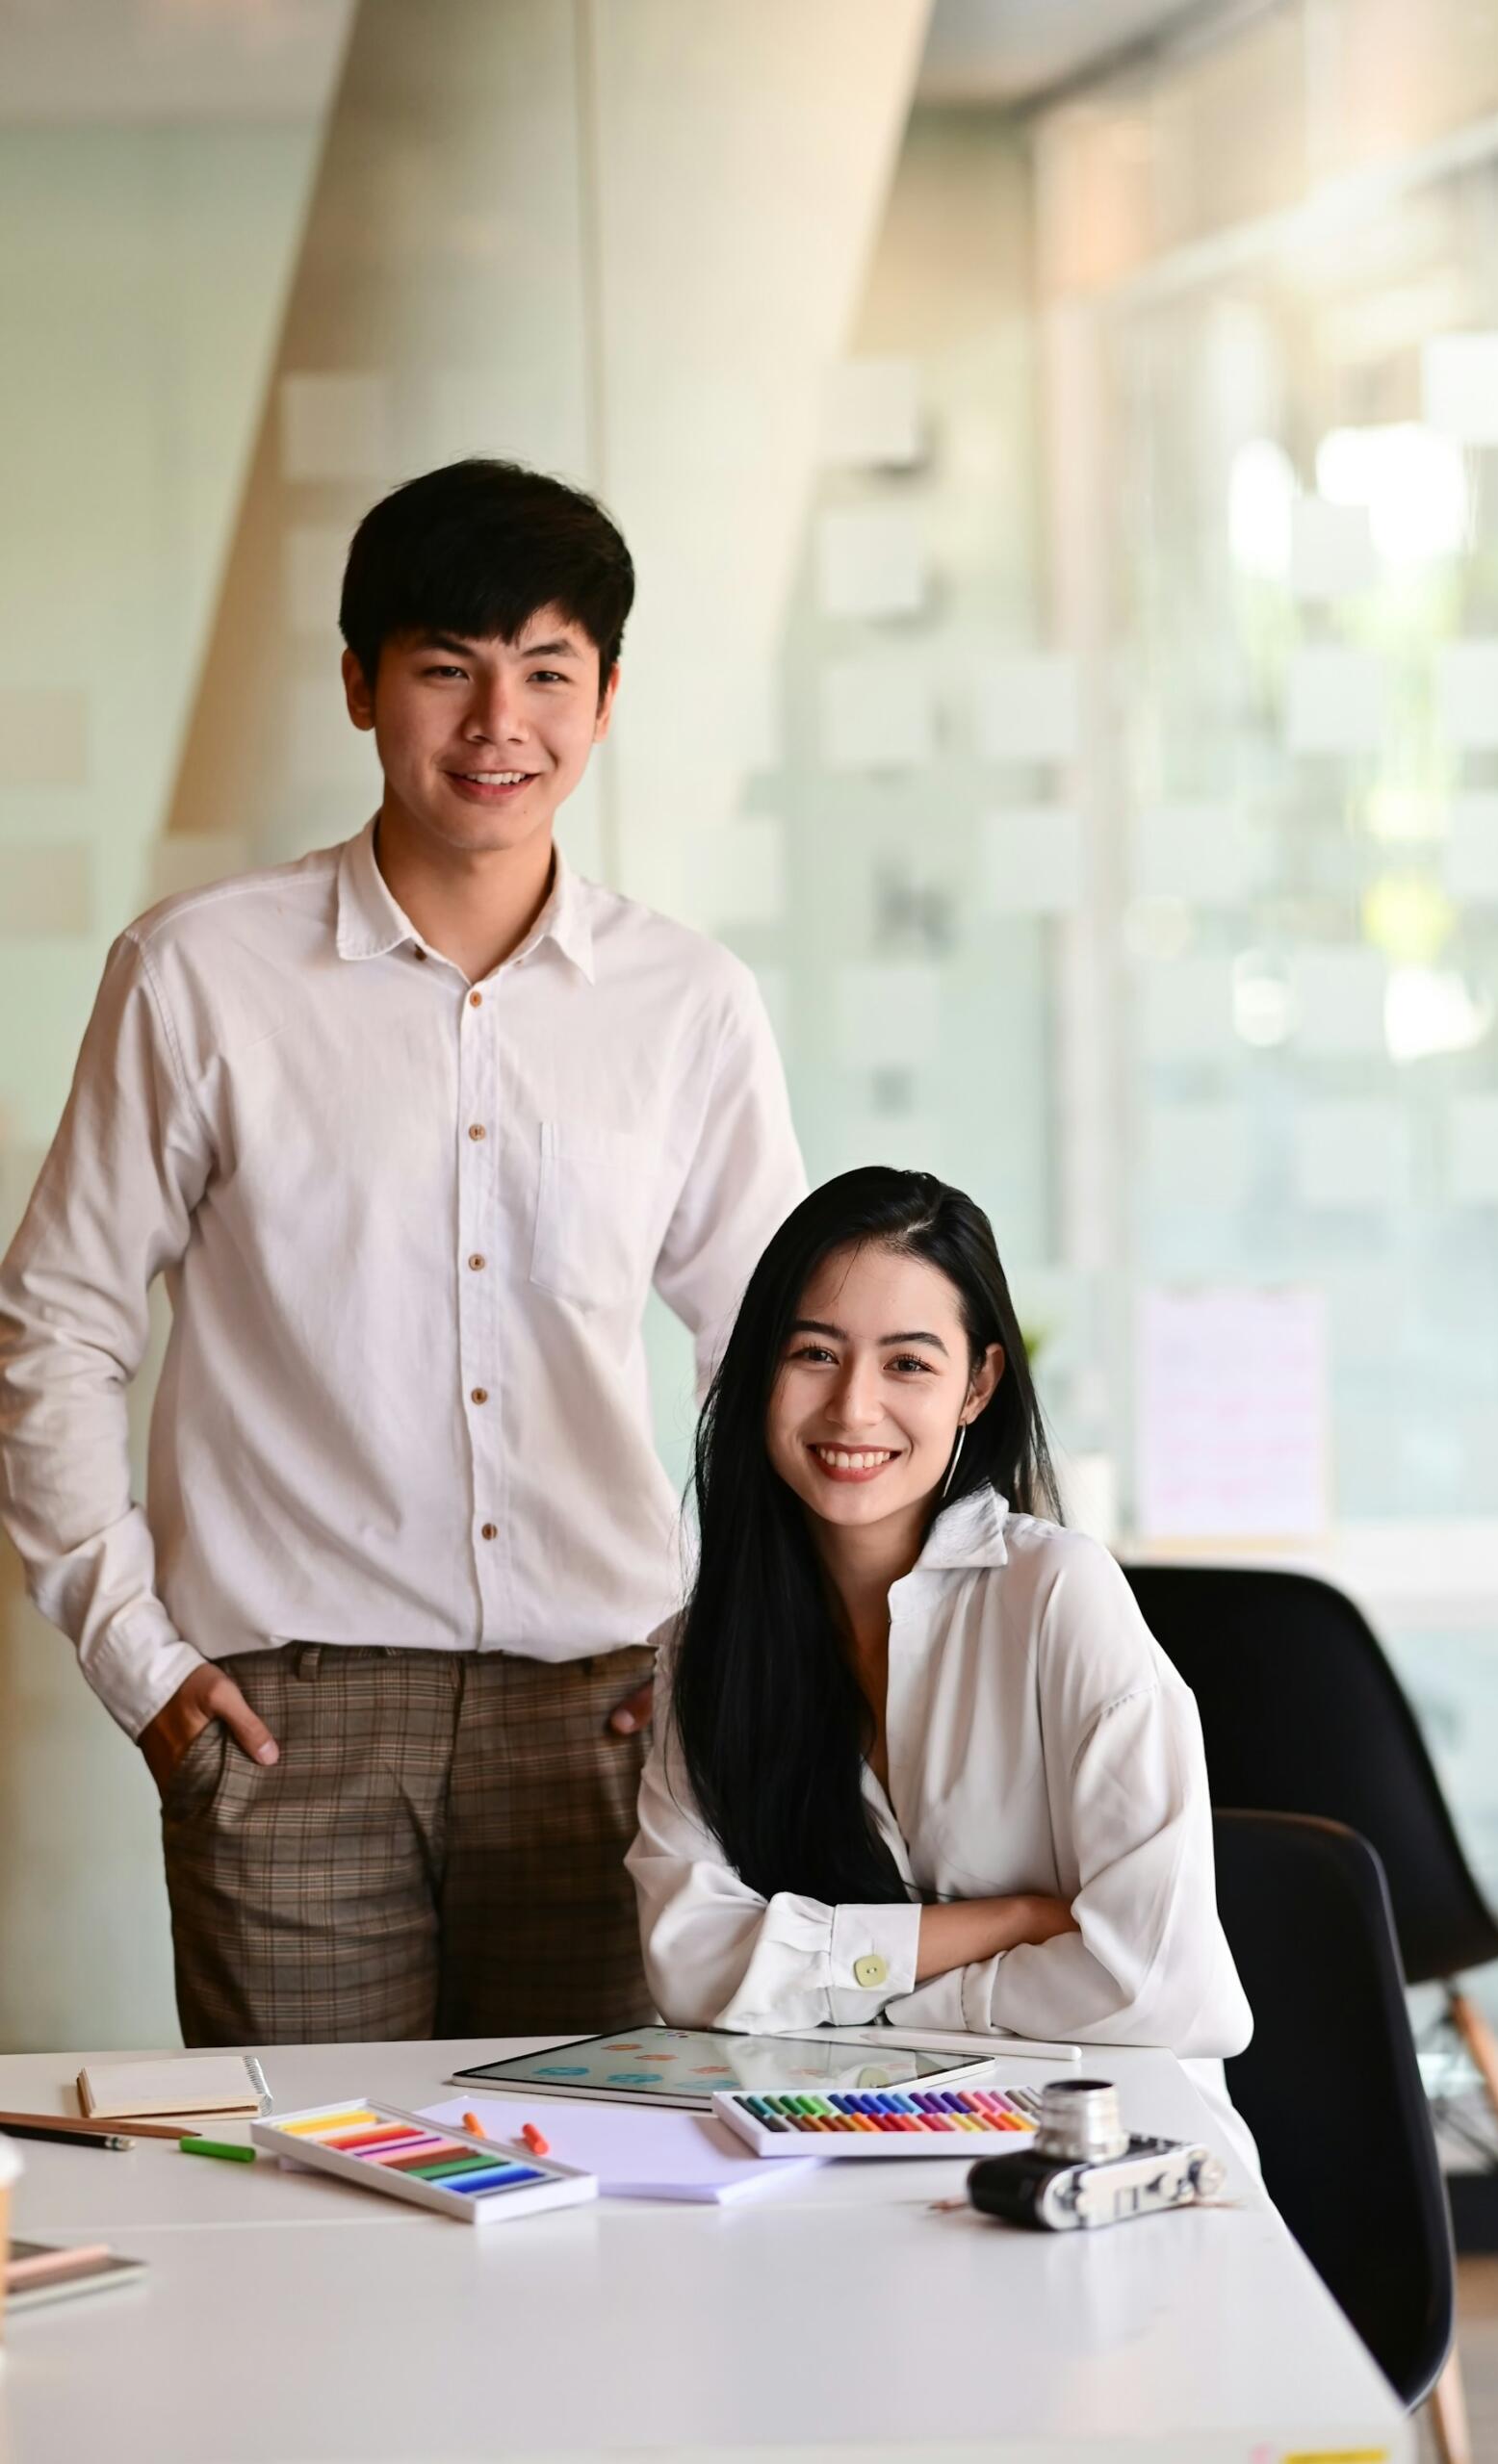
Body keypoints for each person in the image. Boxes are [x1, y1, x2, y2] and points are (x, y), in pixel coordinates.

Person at [0, 458, 805, 2044]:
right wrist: (143, 1665)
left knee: (594, 2214)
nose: (498, 721)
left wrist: (728, 1667)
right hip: (286, 1719)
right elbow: (57, 1323)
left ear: (607, 695)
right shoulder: (199, 977)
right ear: (362, 683)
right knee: (311, 2224)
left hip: (603, 1712)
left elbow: (773, 1357)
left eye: (547, 672)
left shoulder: (686, 1002)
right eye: (447, 668)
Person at [627, 1168, 1253, 2134]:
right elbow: (694, 1969)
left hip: (1106, 2154)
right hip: (838, 2151)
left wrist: (891, 2009)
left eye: (907, 1364)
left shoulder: (1057, 1598)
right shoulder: (703, 1649)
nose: (852, 1408)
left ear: (978, 1384)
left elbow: (1162, 1983)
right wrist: (1003, 1924)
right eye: (815, 1353)